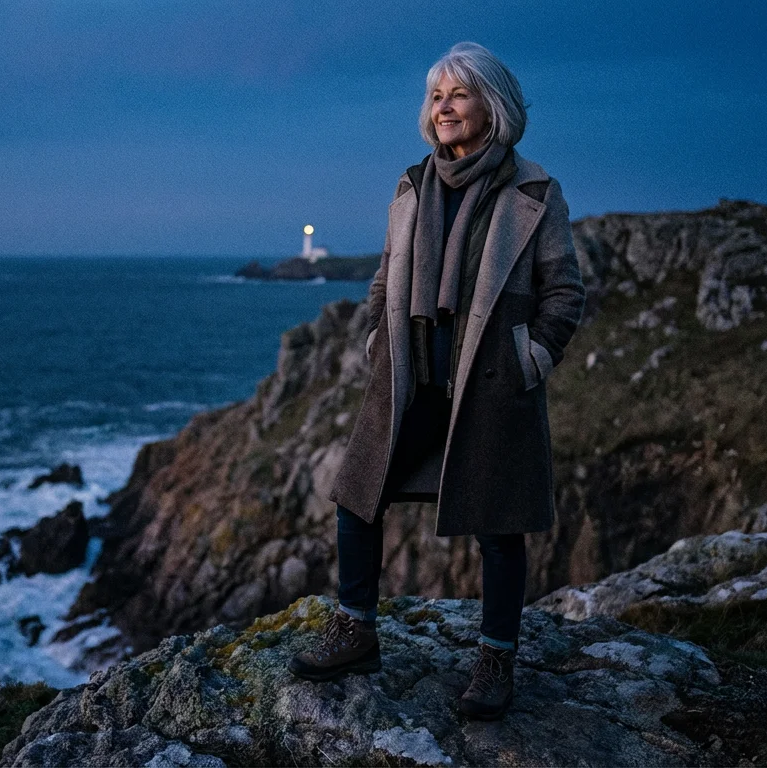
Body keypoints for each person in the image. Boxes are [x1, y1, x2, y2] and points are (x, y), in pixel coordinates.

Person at [286, 42, 586, 721]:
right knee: (358, 497)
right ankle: (355, 630)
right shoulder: (412, 184)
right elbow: (387, 277)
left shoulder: (534, 191)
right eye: (435, 96)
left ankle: (496, 657)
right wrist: (374, 337)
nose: (442, 107)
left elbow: (564, 293)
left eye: (457, 94)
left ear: (493, 105)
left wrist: (529, 359)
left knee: (498, 524)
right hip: (411, 371)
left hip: (490, 379)